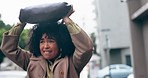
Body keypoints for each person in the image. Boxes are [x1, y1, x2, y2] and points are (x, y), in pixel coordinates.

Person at [0, 6, 93, 78]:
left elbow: (86, 48)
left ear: (61, 43)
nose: (45, 46)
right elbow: (8, 48)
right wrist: (21, 23)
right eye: (42, 41)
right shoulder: (31, 60)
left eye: (51, 41)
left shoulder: (72, 61)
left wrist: (67, 20)